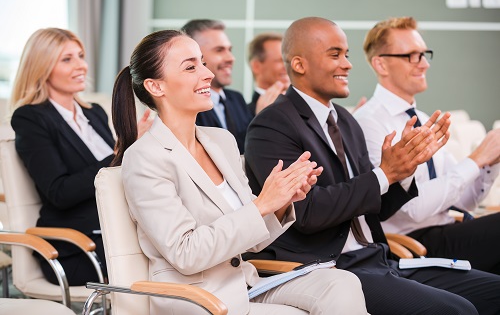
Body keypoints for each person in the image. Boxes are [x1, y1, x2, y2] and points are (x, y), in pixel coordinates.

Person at [244, 17, 500, 315]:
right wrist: (385, 173)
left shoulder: (347, 122)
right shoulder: (271, 126)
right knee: (457, 311)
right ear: (299, 65)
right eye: (335, 54)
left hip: (379, 258)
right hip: (333, 270)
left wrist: (403, 173)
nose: (348, 64)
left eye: (347, 54)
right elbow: (307, 213)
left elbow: (374, 208)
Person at [111, 29, 369, 315]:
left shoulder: (221, 141)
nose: (207, 74)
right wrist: (262, 204)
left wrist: (282, 201)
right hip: (196, 298)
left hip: (245, 283)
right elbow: (185, 254)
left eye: (203, 63)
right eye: (190, 67)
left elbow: (254, 240)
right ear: (156, 87)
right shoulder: (144, 157)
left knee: (341, 283)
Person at [353, 16, 500, 274]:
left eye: (424, 54)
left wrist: (489, 164)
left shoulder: (422, 119)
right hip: (413, 245)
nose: (424, 64)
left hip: (448, 231)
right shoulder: (369, 122)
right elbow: (412, 209)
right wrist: (475, 159)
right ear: (381, 64)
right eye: (412, 55)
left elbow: (464, 202)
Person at [9, 28, 152, 287]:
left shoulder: (94, 113)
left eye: (81, 56)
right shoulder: (30, 118)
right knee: (165, 263)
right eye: (67, 59)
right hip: (77, 247)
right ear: (42, 67)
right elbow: (59, 192)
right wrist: (122, 151)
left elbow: (115, 170)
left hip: (117, 231)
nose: (81, 66)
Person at [181, 19, 252, 154]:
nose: (231, 58)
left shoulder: (237, 99)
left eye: (229, 50)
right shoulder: (186, 106)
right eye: (219, 50)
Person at [247, 32, 290, 116]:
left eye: (288, 61)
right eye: (280, 60)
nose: (288, 66)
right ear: (256, 66)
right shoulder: (242, 113)